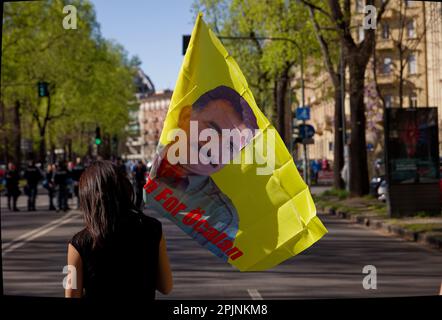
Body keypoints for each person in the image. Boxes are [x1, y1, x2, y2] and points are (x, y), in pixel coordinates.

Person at [145, 85, 258, 261]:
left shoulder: (222, 216)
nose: (215, 146)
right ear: (185, 117)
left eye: (230, 146)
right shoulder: (141, 175)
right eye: (212, 129)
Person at [65, 160, 172, 299]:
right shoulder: (153, 229)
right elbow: (166, 287)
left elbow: (72, 294)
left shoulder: (79, 243)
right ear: (124, 189)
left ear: (88, 198)